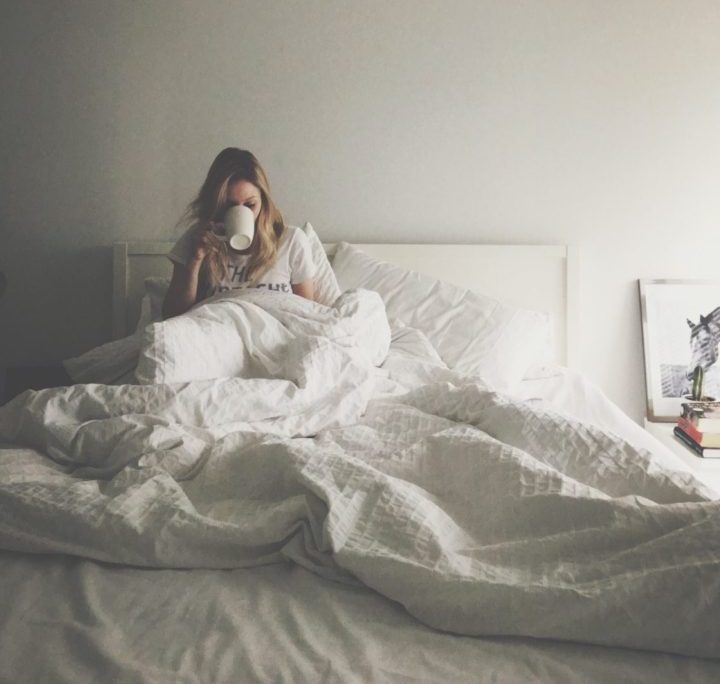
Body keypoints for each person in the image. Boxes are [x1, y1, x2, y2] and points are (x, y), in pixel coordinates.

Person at [162, 148, 315, 319]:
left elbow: (306, 315)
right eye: (229, 206)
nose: (241, 212)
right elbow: (172, 316)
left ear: (263, 202)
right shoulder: (198, 238)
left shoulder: (291, 241)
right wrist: (195, 261)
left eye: (250, 205)